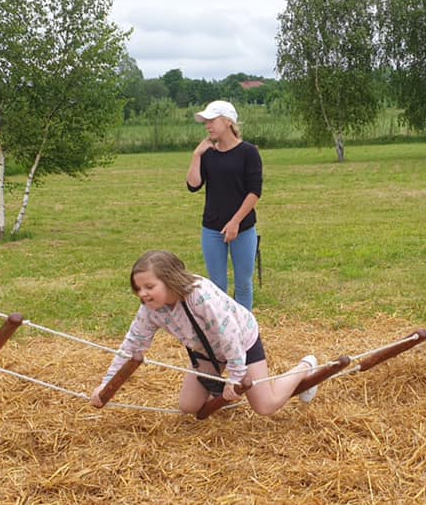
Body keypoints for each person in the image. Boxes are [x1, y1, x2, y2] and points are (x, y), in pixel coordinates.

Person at [90, 250, 318, 415]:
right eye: (138, 288)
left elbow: (229, 335)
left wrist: (236, 379)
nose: (143, 294)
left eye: (150, 287)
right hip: (207, 351)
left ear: (169, 281)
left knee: (265, 406)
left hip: (241, 342)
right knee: (189, 407)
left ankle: (306, 367)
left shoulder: (199, 295)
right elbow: (132, 346)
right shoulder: (150, 310)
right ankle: (225, 391)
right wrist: (106, 384)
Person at [187, 100, 262, 311]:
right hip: (211, 228)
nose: (207, 126)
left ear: (228, 122)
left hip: (243, 228)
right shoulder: (207, 154)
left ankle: (244, 331)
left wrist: (235, 222)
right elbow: (193, 185)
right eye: (206, 122)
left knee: (243, 284)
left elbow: (254, 191)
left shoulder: (248, 152)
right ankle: (222, 332)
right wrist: (196, 155)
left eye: (212, 120)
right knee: (217, 285)